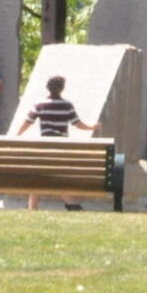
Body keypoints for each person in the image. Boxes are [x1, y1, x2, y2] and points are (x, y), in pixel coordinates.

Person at [14, 74, 96, 210]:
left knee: (40, 174)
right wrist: (92, 127)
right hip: (61, 147)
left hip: (44, 146)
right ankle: (71, 204)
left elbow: (28, 122)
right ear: (62, 89)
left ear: (47, 87)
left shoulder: (40, 104)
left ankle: (33, 207)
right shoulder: (67, 105)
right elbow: (77, 124)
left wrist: (17, 136)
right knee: (52, 174)